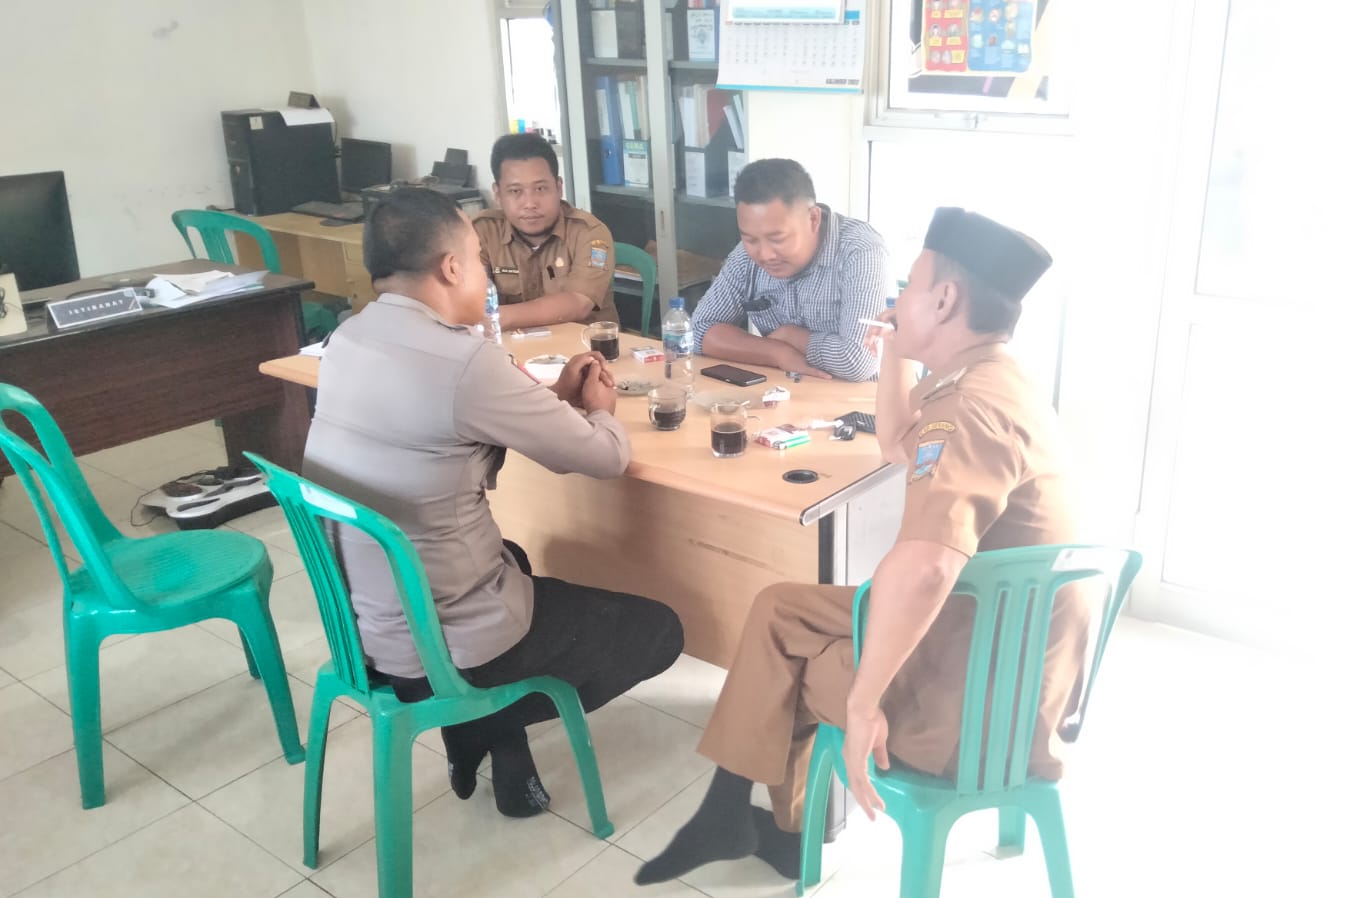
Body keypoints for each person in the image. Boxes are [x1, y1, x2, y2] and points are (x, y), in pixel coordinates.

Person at [636, 208, 1072, 884]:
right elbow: (897, 442)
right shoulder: (991, 376)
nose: (897, 296)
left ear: (945, 300)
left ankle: (774, 831)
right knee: (780, 607)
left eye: (911, 285)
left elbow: (928, 570)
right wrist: (896, 347)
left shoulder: (969, 411)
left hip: (978, 701)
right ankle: (726, 812)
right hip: (990, 637)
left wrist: (866, 702)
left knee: (788, 666)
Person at [304, 187, 683, 819]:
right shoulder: (462, 359)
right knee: (661, 630)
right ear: (451, 268)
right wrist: (600, 410)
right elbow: (603, 457)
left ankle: (498, 752)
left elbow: (444, 432)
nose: (486, 276)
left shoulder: (349, 338)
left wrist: (551, 402)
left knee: (514, 556)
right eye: (479, 261)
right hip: (437, 647)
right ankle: (477, 719)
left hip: (367, 624)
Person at [690, 158, 892, 382]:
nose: (765, 254)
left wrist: (792, 336)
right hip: (785, 389)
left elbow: (859, 360)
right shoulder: (746, 256)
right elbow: (699, 330)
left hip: (861, 397)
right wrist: (777, 352)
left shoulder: (861, 250)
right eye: (750, 239)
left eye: (778, 239)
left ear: (813, 219)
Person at [473, 133, 621, 329]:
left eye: (540, 189)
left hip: (582, 345)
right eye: (515, 191)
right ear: (498, 194)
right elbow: (468, 296)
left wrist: (494, 317)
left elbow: (579, 303)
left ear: (559, 188)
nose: (530, 203)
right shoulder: (482, 232)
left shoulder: (589, 233)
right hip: (508, 345)